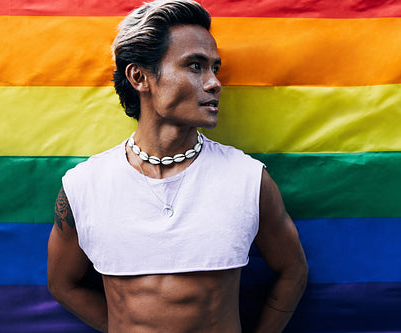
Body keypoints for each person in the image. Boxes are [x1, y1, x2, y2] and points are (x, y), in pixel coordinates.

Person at [47, 0, 308, 332]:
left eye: (215, 68)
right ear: (140, 77)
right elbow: (62, 284)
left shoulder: (247, 178)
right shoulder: (84, 186)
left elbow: (293, 270)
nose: (214, 83)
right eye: (195, 66)